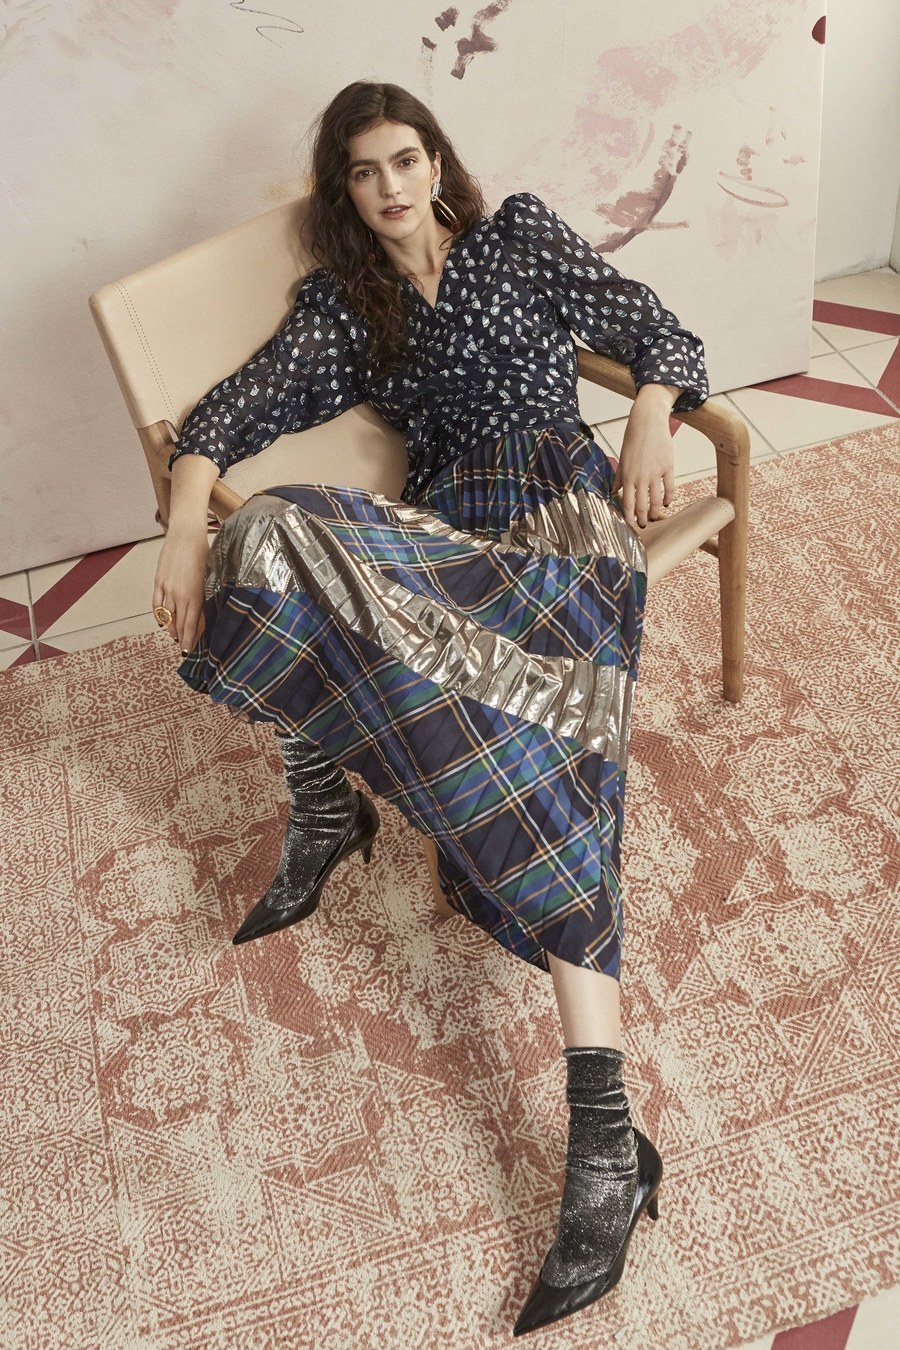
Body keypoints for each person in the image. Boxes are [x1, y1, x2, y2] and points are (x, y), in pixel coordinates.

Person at [153, 80, 708, 1336]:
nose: (391, 186)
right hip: (452, 536)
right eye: (363, 171)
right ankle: (325, 804)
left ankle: (602, 1139)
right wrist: (187, 523)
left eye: (405, 159)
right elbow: (230, 413)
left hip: (565, 525)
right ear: (344, 192)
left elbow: (654, 328)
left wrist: (651, 413)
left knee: (550, 745)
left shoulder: (519, 237)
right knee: (276, 535)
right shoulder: (350, 310)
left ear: (437, 162)